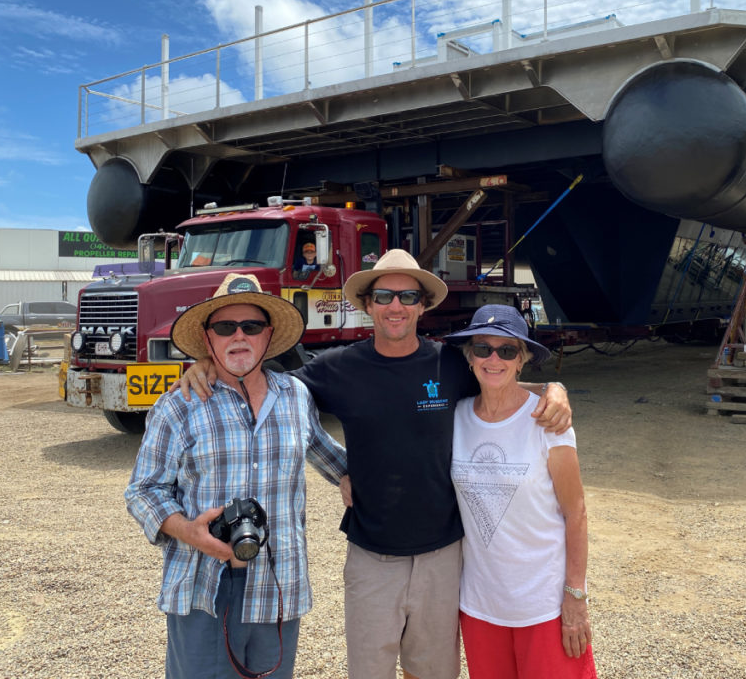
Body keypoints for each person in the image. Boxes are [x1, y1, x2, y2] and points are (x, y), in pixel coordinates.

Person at [180, 249, 572, 679]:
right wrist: (207, 364)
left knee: (435, 673)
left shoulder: (450, 363)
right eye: (384, 295)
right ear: (367, 304)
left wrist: (554, 388)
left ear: (423, 304)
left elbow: (503, 382)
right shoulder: (336, 369)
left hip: (443, 555)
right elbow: (262, 383)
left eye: (407, 296)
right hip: (371, 557)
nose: (396, 306)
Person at [125, 273, 348, 679]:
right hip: (205, 586)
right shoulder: (179, 405)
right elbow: (143, 490)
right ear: (208, 339)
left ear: (270, 334)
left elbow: (333, 460)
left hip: (278, 584)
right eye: (225, 327)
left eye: (252, 326)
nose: (239, 337)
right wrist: (188, 531)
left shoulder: (296, 397)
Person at [443, 305, 596, 679]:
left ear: (521, 360)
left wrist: (575, 596)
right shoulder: (454, 416)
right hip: (480, 604)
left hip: (543, 606)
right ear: (469, 356)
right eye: (483, 348)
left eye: (507, 351)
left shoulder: (548, 422)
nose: (493, 359)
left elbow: (575, 513)